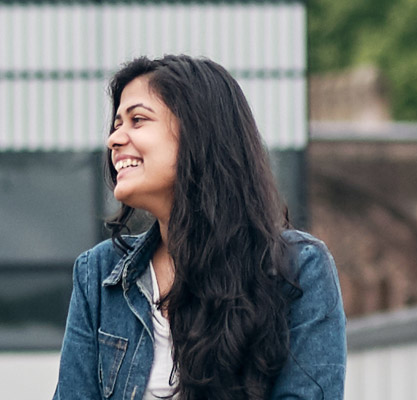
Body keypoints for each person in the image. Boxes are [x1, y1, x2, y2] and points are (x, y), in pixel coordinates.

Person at [53, 55, 346, 400]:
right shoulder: (97, 275)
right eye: (117, 124)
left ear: (198, 132)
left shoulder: (299, 270)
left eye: (137, 120)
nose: (114, 139)